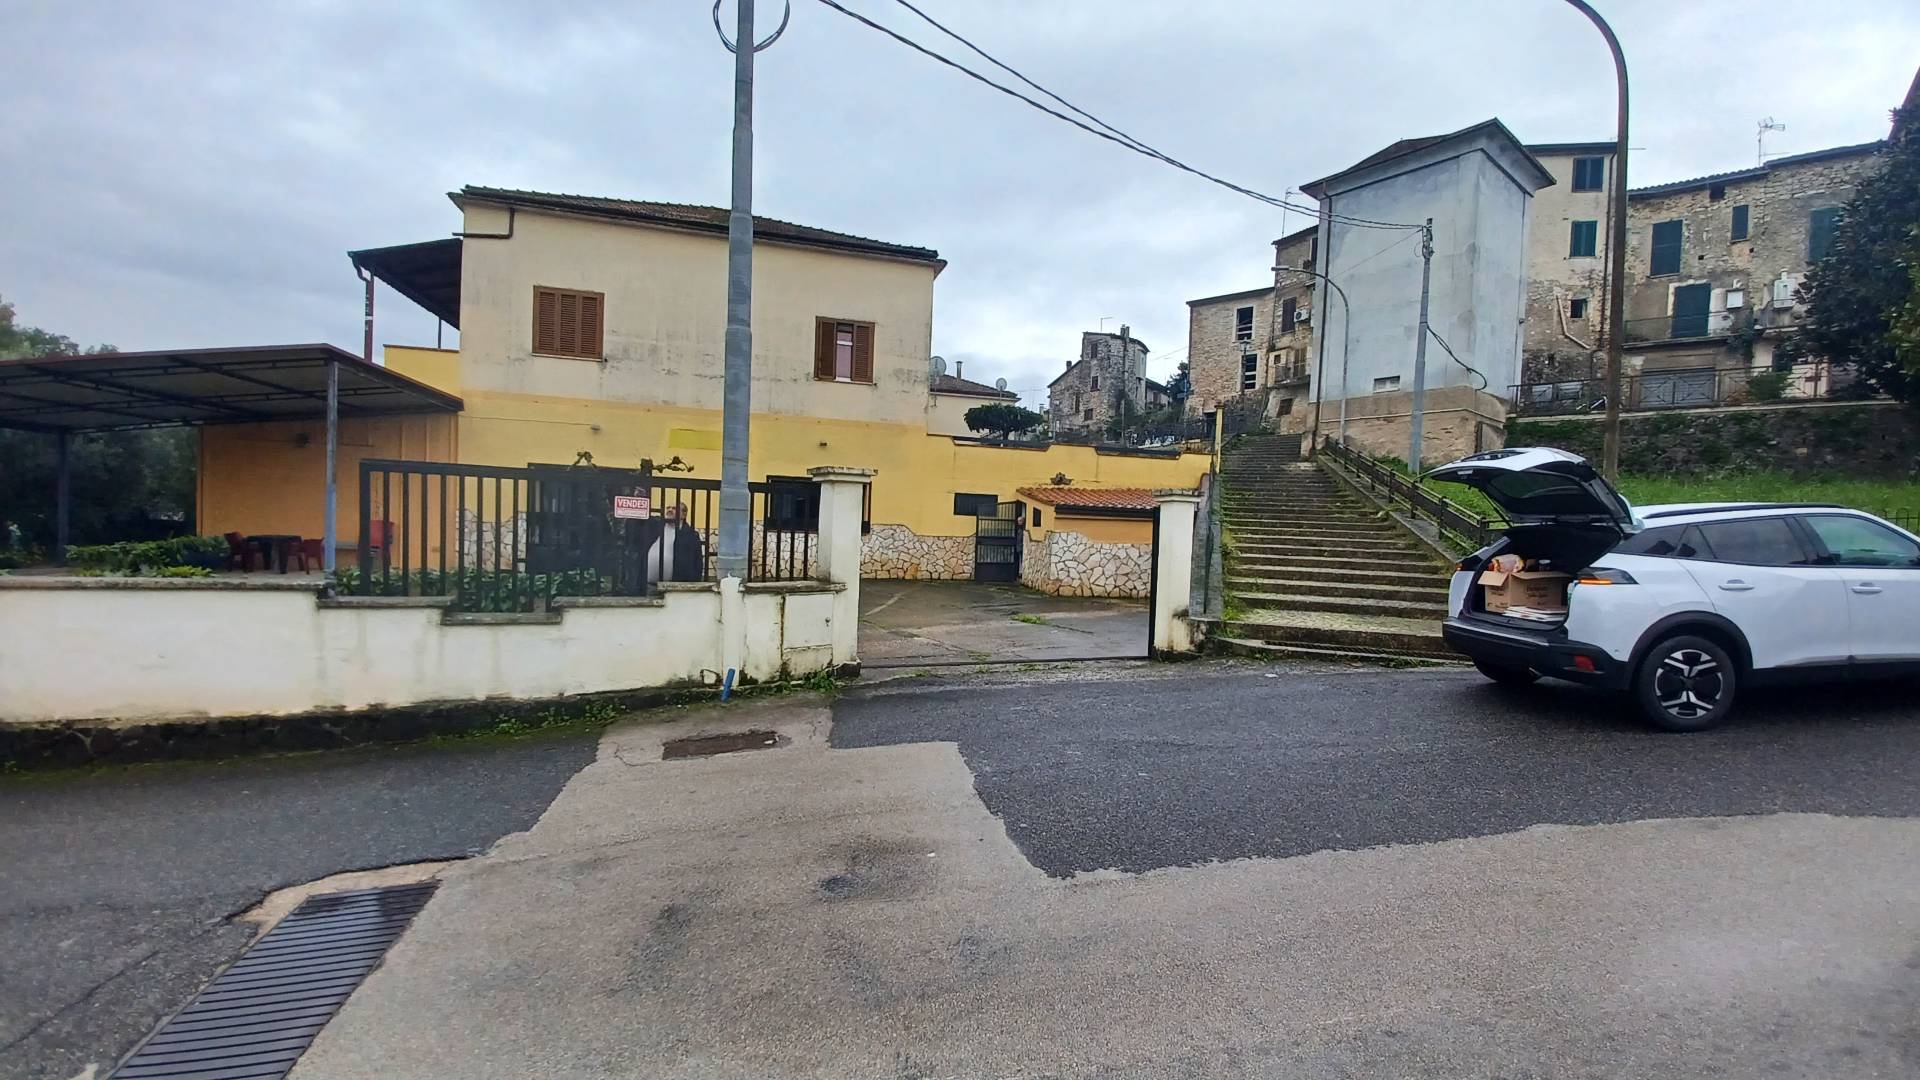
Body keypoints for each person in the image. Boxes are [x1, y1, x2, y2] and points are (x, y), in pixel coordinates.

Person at [644, 502, 705, 584]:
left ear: (684, 514)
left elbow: (696, 562)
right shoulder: (656, 526)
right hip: (647, 585)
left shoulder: (690, 535)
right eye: (668, 508)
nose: (670, 510)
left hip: (675, 586)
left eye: (674, 508)